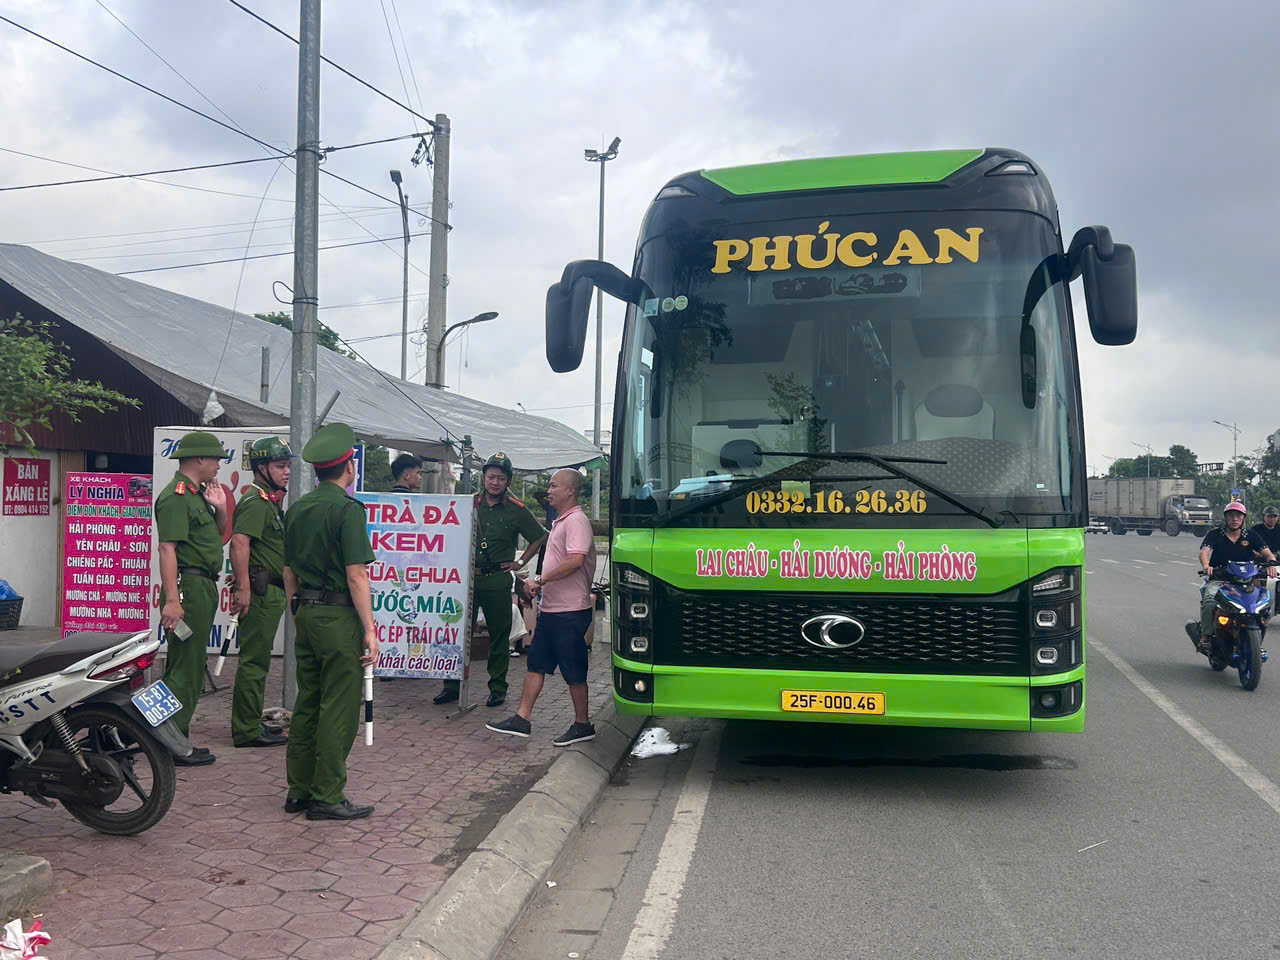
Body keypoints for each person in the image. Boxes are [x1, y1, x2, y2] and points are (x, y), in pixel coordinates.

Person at [282, 423, 379, 821]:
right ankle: (327, 795)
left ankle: (298, 791)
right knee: (338, 708)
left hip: (304, 613)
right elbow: (357, 574)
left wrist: (297, 608)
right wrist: (370, 629)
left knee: (308, 702)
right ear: (349, 467)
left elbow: (288, 569)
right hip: (338, 617)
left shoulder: (298, 508)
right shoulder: (347, 509)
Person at [487, 469, 598, 746]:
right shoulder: (561, 521)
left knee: (573, 669)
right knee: (536, 664)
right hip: (552, 610)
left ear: (570, 490)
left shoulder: (577, 522)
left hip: (570, 611)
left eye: (553, 485)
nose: (549, 491)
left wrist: (541, 579)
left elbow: (575, 560)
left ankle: (583, 724)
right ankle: (522, 719)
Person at [434, 452, 546, 708]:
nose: (495, 482)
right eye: (491, 477)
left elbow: (539, 537)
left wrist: (520, 563)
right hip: (467, 580)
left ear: (507, 482)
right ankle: (451, 686)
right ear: (483, 477)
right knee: (458, 633)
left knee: (499, 635)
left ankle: (497, 688)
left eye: (501, 478)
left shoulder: (517, 510)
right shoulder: (468, 504)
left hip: (497, 580)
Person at [155, 430, 230, 766]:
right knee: (184, 669)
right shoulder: (175, 496)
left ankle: (172, 737)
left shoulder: (197, 496)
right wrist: (172, 599)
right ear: (199, 459)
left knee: (188, 664)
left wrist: (221, 510)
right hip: (188, 587)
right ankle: (170, 743)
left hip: (200, 586)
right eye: (215, 459)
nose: (217, 465)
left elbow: (212, 538)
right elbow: (167, 549)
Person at [227, 436, 294, 749]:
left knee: (259, 662)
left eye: (288, 465)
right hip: (260, 591)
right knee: (254, 663)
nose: (287, 471)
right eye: (281, 465)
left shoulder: (269, 499)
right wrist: (243, 588)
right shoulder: (255, 501)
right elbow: (239, 543)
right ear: (262, 467)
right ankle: (246, 730)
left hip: (271, 591)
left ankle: (252, 722)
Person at [1192, 501, 1278, 654]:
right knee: (1210, 601)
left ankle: (1257, 643)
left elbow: (1267, 552)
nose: (1234, 519)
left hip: (1247, 581)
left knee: (1263, 607)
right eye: (1231, 515)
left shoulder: (1251, 535)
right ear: (1225, 518)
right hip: (1220, 579)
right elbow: (1204, 552)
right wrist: (1206, 566)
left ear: (1243, 518)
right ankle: (1205, 637)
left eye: (1238, 515)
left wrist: (1271, 563)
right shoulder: (1215, 534)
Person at [1249, 505, 1280, 615]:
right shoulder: (1255, 530)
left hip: (1277, 563)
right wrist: (1255, 553)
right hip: (1259, 563)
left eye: (1274, 516)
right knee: (1253, 579)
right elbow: (1248, 546)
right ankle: (1256, 604)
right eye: (1269, 516)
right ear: (1264, 517)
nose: (1272, 519)